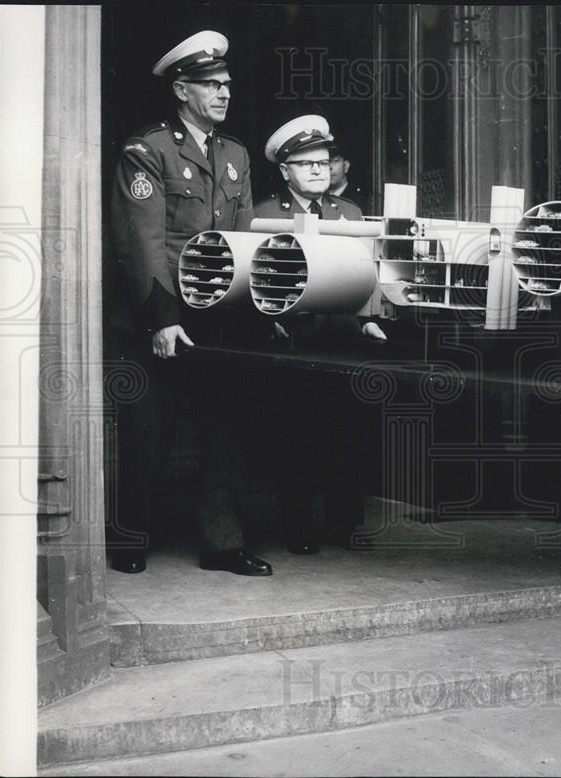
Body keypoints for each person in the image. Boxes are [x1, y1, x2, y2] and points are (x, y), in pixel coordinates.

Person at [107, 31, 272, 576]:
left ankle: (223, 545)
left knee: (223, 434)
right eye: (211, 85)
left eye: (227, 84)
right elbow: (143, 242)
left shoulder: (236, 155)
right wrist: (162, 319)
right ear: (182, 89)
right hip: (159, 317)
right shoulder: (147, 149)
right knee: (147, 436)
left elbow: (244, 241)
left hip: (219, 320)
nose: (224, 93)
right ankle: (130, 540)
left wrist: (257, 309)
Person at [255, 115, 384, 554]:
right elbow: (252, 279)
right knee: (298, 435)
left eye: (323, 162)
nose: (317, 170)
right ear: (284, 170)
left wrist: (369, 320)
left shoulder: (349, 214)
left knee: (349, 433)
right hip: (293, 342)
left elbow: (367, 274)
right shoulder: (263, 215)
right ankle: (298, 529)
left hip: (344, 341)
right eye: (305, 163)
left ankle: (345, 525)